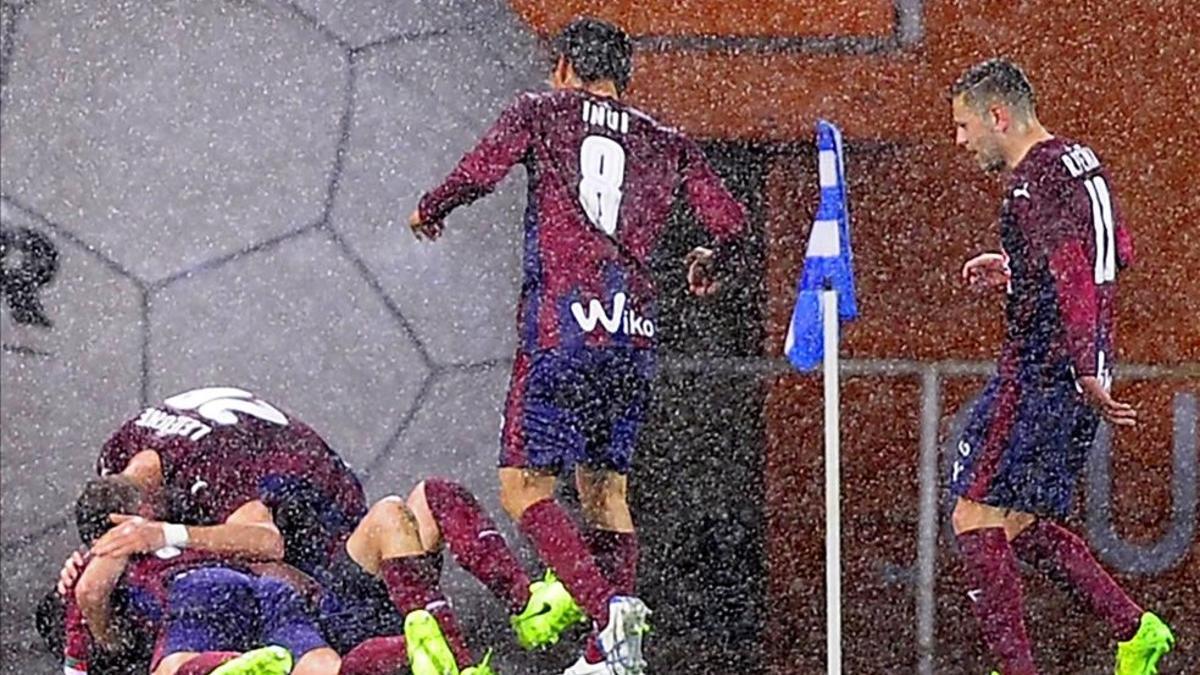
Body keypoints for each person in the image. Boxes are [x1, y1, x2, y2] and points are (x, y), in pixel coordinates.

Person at [408, 17, 746, 674]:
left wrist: (433, 206)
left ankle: (606, 611)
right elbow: (730, 223)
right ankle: (614, 653)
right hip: (632, 335)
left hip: (563, 329)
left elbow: (482, 171)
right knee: (605, 491)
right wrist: (712, 259)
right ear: (625, 74)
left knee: (523, 487)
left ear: (563, 65)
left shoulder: (542, 111)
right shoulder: (666, 140)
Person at [948, 58, 1175, 674]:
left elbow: (1076, 272)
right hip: (1076, 371)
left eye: (966, 126)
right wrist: (1018, 268)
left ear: (999, 115)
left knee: (972, 514)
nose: (961, 142)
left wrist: (1083, 366)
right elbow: (1113, 253)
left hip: (1041, 372)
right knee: (1016, 522)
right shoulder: (1081, 161)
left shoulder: (1030, 185)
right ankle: (1137, 630)